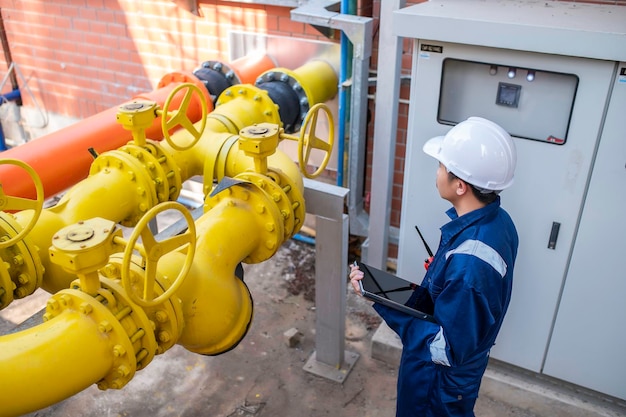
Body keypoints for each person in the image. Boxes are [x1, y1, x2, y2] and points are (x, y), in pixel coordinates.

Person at [350, 117, 519, 417]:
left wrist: (380, 300)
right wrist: (443, 278)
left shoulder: (469, 269)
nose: (437, 172)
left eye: (442, 166)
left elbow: (443, 349)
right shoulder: (499, 222)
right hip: (458, 373)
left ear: (460, 185)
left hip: (437, 383)